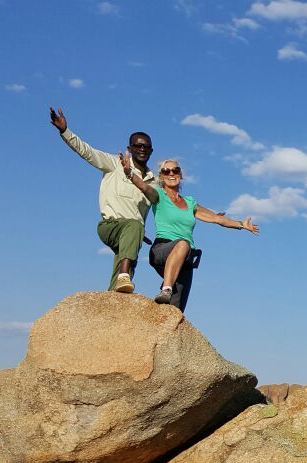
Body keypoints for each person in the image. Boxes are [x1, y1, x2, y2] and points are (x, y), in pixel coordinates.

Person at [120, 154, 259, 311]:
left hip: (185, 259)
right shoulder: (159, 194)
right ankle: (166, 288)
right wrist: (130, 173)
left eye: (175, 170)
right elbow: (144, 187)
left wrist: (241, 224)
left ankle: (164, 302)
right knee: (182, 244)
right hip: (162, 249)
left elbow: (216, 218)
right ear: (161, 176)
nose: (171, 174)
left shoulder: (190, 202)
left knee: (176, 310)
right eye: (166, 171)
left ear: (181, 174)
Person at [49, 107, 156, 293]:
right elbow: (87, 152)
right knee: (132, 238)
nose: (142, 149)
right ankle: (124, 275)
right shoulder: (115, 163)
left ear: (151, 151)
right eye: (137, 145)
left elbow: (160, 206)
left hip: (131, 234)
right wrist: (65, 131)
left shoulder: (152, 182)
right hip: (110, 226)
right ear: (129, 148)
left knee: (124, 277)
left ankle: (113, 299)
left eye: (145, 147)